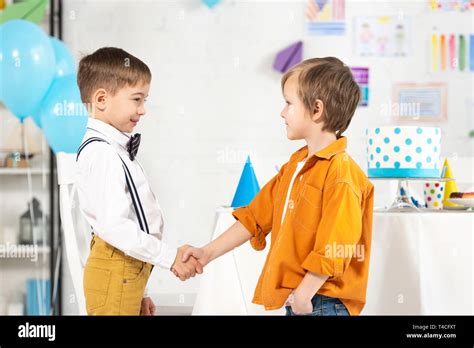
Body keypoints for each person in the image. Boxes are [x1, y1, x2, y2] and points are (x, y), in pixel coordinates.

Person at [182, 57, 374, 316]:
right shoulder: (295, 166)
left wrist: (304, 295)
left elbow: (336, 245)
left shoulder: (341, 174)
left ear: (316, 110)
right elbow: (254, 218)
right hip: (302, 299)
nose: (282, 112)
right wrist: (207, 252)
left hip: (324, 302)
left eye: (288, 103)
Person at [75, 47, 202, 315]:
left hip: (125, 272)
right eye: (137, 99)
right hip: (114, 270)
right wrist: (171, 257)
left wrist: (139, 290)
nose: (143, 110)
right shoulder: (102, 152)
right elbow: (115, 227)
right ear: (101, 99)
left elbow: (131, 222)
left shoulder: (115, 147)